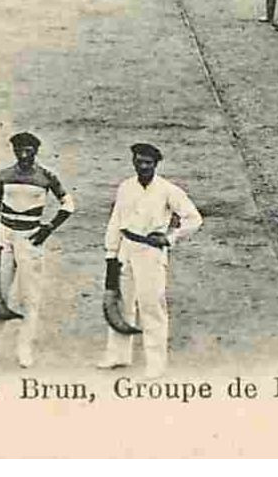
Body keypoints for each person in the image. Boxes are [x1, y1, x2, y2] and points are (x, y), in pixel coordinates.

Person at [98, 142, 203, 379]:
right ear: (133, 161)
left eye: (148, 163)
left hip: (151, 253)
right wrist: (111, 253)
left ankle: (156, 362)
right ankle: (118, 355)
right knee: (122, 302)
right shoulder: (125, 187)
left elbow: (194, 218)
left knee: (151, 305)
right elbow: (116, 221)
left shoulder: (167, 190)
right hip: (126, 247)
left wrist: (170, 237)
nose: (143, 166)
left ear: (156, 164)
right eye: (139, 161)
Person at [0, 131, 74, 369]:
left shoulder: (46, 175)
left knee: (30, 296)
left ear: (35, 151)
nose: (23, 154)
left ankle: (24, 350)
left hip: (31, 238)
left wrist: (47, 228)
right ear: (14, 151)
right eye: (19, 149)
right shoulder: (4, 175)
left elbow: (68, 204)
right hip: (4, 237)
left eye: (28, 149)